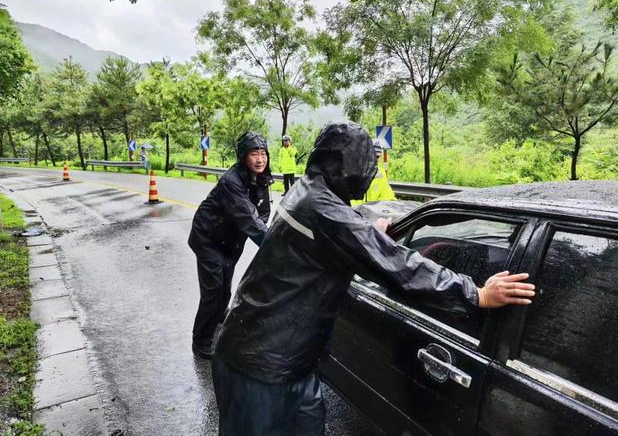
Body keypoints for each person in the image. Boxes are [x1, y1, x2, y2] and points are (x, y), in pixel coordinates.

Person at [212, 122, 535, 435]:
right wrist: (476, 294)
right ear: (347, 165)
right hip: (260, 366)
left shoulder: (307, 189)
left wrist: (366, 232)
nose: (369, 174)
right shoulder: (327, 212)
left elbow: (341, 227)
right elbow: (400, 266)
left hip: (286, 358)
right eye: (367, 164)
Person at [187, 132, 272, 359]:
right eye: (254, 153)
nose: (260, 159)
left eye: (263, 153)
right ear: (243, 157)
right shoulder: (231, 182)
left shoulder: (262, 178)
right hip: (208, 238)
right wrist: (276, 247)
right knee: (213, 291)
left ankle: (217, 316)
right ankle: (201, 340)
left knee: (224, 287)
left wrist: (261, 230)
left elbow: (262, 213)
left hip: (231, 241)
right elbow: (250, 220)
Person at [351, 137, 396, 205]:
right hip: (356, 213)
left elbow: (388, 196)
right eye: (371, 156)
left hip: (375, 213)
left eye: (377, 157)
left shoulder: (381, 173)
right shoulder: (352, 172)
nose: (374, 159)